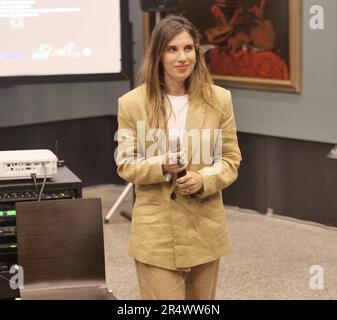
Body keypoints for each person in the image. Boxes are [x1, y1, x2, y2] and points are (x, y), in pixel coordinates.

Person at [115, 15, 241, 300]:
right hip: (156, 233)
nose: (182, 57)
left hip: (205, 228)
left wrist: (203, 178)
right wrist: (161, 165)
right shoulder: (132, 103)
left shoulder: (219, 99)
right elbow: (125, 163)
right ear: (158, 54)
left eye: (188, 48)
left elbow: (230, 159)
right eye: (172, 49)